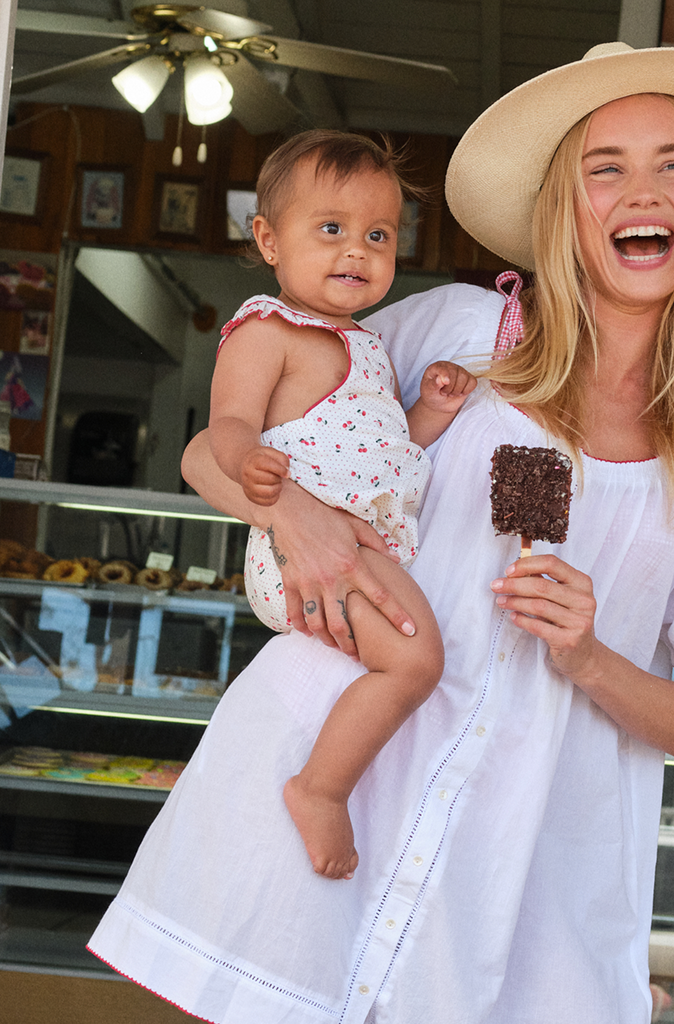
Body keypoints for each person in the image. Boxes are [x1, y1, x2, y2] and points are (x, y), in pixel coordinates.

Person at [88, 41, 674, 1023]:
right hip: (325, 785)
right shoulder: (449, 332)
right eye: (604, 166)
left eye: (672, 164)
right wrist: (297, 517)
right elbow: (210, 454)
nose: (638, 192)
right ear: (564, 205)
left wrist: (589, 655)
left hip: (518, 878)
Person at [209, 129, 475, 879]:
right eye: (331, 230)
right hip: (302, 553)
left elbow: (388, 451)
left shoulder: (367, 345)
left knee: (408, 662)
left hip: (356, 548)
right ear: (269, 239)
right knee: (416, 663)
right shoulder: (268, 329)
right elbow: (226, 423)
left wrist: (434, 411)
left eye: (377, 235)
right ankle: (320, 790)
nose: (356, 251)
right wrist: (251, 467)